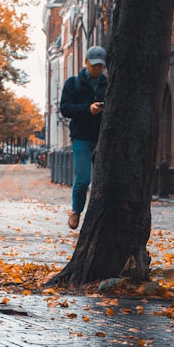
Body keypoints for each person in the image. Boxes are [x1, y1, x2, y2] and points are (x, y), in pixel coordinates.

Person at [59, 45, 108, 230]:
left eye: (100, 66)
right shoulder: (73, 83)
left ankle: (100, 216)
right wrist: (88, 109)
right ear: (86, 62)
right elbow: (65, 108)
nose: (97, 69)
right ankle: (76, 211)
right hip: (81, 137)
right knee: (83, 178)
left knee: (104, 180)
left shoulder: (107, 84)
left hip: (103, 137)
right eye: (94, 65)